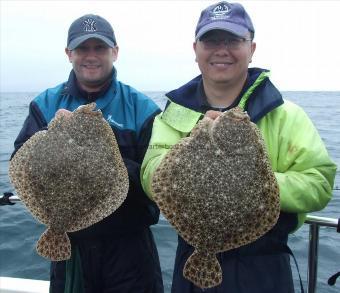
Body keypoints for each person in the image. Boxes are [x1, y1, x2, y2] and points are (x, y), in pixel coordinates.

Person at [141, 1, 337, 292]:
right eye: (211, 40)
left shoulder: (286, 114)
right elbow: (149, 175)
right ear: (195, 49)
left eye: (233, 40)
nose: (222, 49)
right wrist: (194, 150)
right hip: (192, 259)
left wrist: (251, 184)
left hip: (265, 266)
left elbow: (319, 183)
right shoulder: (174, 113)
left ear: (252, 48)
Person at [11, 14, 164, 293]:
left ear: (115, 52)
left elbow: (154, 179)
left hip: (130, 249)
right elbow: (20, 162)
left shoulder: (142, 108)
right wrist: (50, 139)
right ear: (69, 54)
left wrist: (105, 163)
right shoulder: (46, 104)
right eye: (82, 48)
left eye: (100, 48)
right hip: (72, 250)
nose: (90, 56)